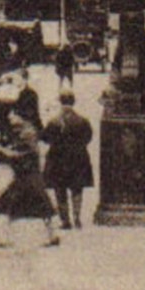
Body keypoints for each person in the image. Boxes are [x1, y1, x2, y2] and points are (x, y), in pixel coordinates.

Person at [0, 103, 60, 248]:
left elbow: (25, 154)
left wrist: (4, 152)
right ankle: (52, 236)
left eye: (13, 114)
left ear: (20, 115)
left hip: (27, 177)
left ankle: (4, 238)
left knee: (5, 206)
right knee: (42, 208)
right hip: (28, 177)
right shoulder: (24, 130)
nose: (10, 117)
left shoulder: (26, 133)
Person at [41, 89, 94, 230]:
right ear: (73, 102)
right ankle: (77, 218)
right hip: (78, 158)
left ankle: (65, 221)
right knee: (77, 189)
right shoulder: (83, 121)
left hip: (58, 159)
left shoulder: (54, 121)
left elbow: (45, 138)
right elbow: (88, 138)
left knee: (60, 189)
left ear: (60, 102)